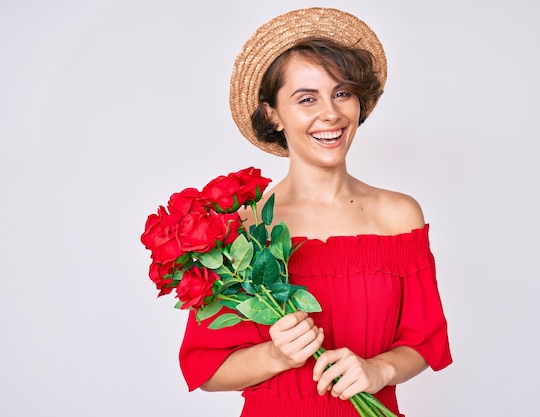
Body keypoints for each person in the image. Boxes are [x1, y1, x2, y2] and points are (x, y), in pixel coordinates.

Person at [179, 7, 452, 417]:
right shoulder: (243, 230)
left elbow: (423, 339)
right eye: (307, 98)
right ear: (273, 113)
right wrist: (277, 355)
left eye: (341, 93)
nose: (331, 113)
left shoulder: (399, 215)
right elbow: (207, 370)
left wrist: (378, 370)